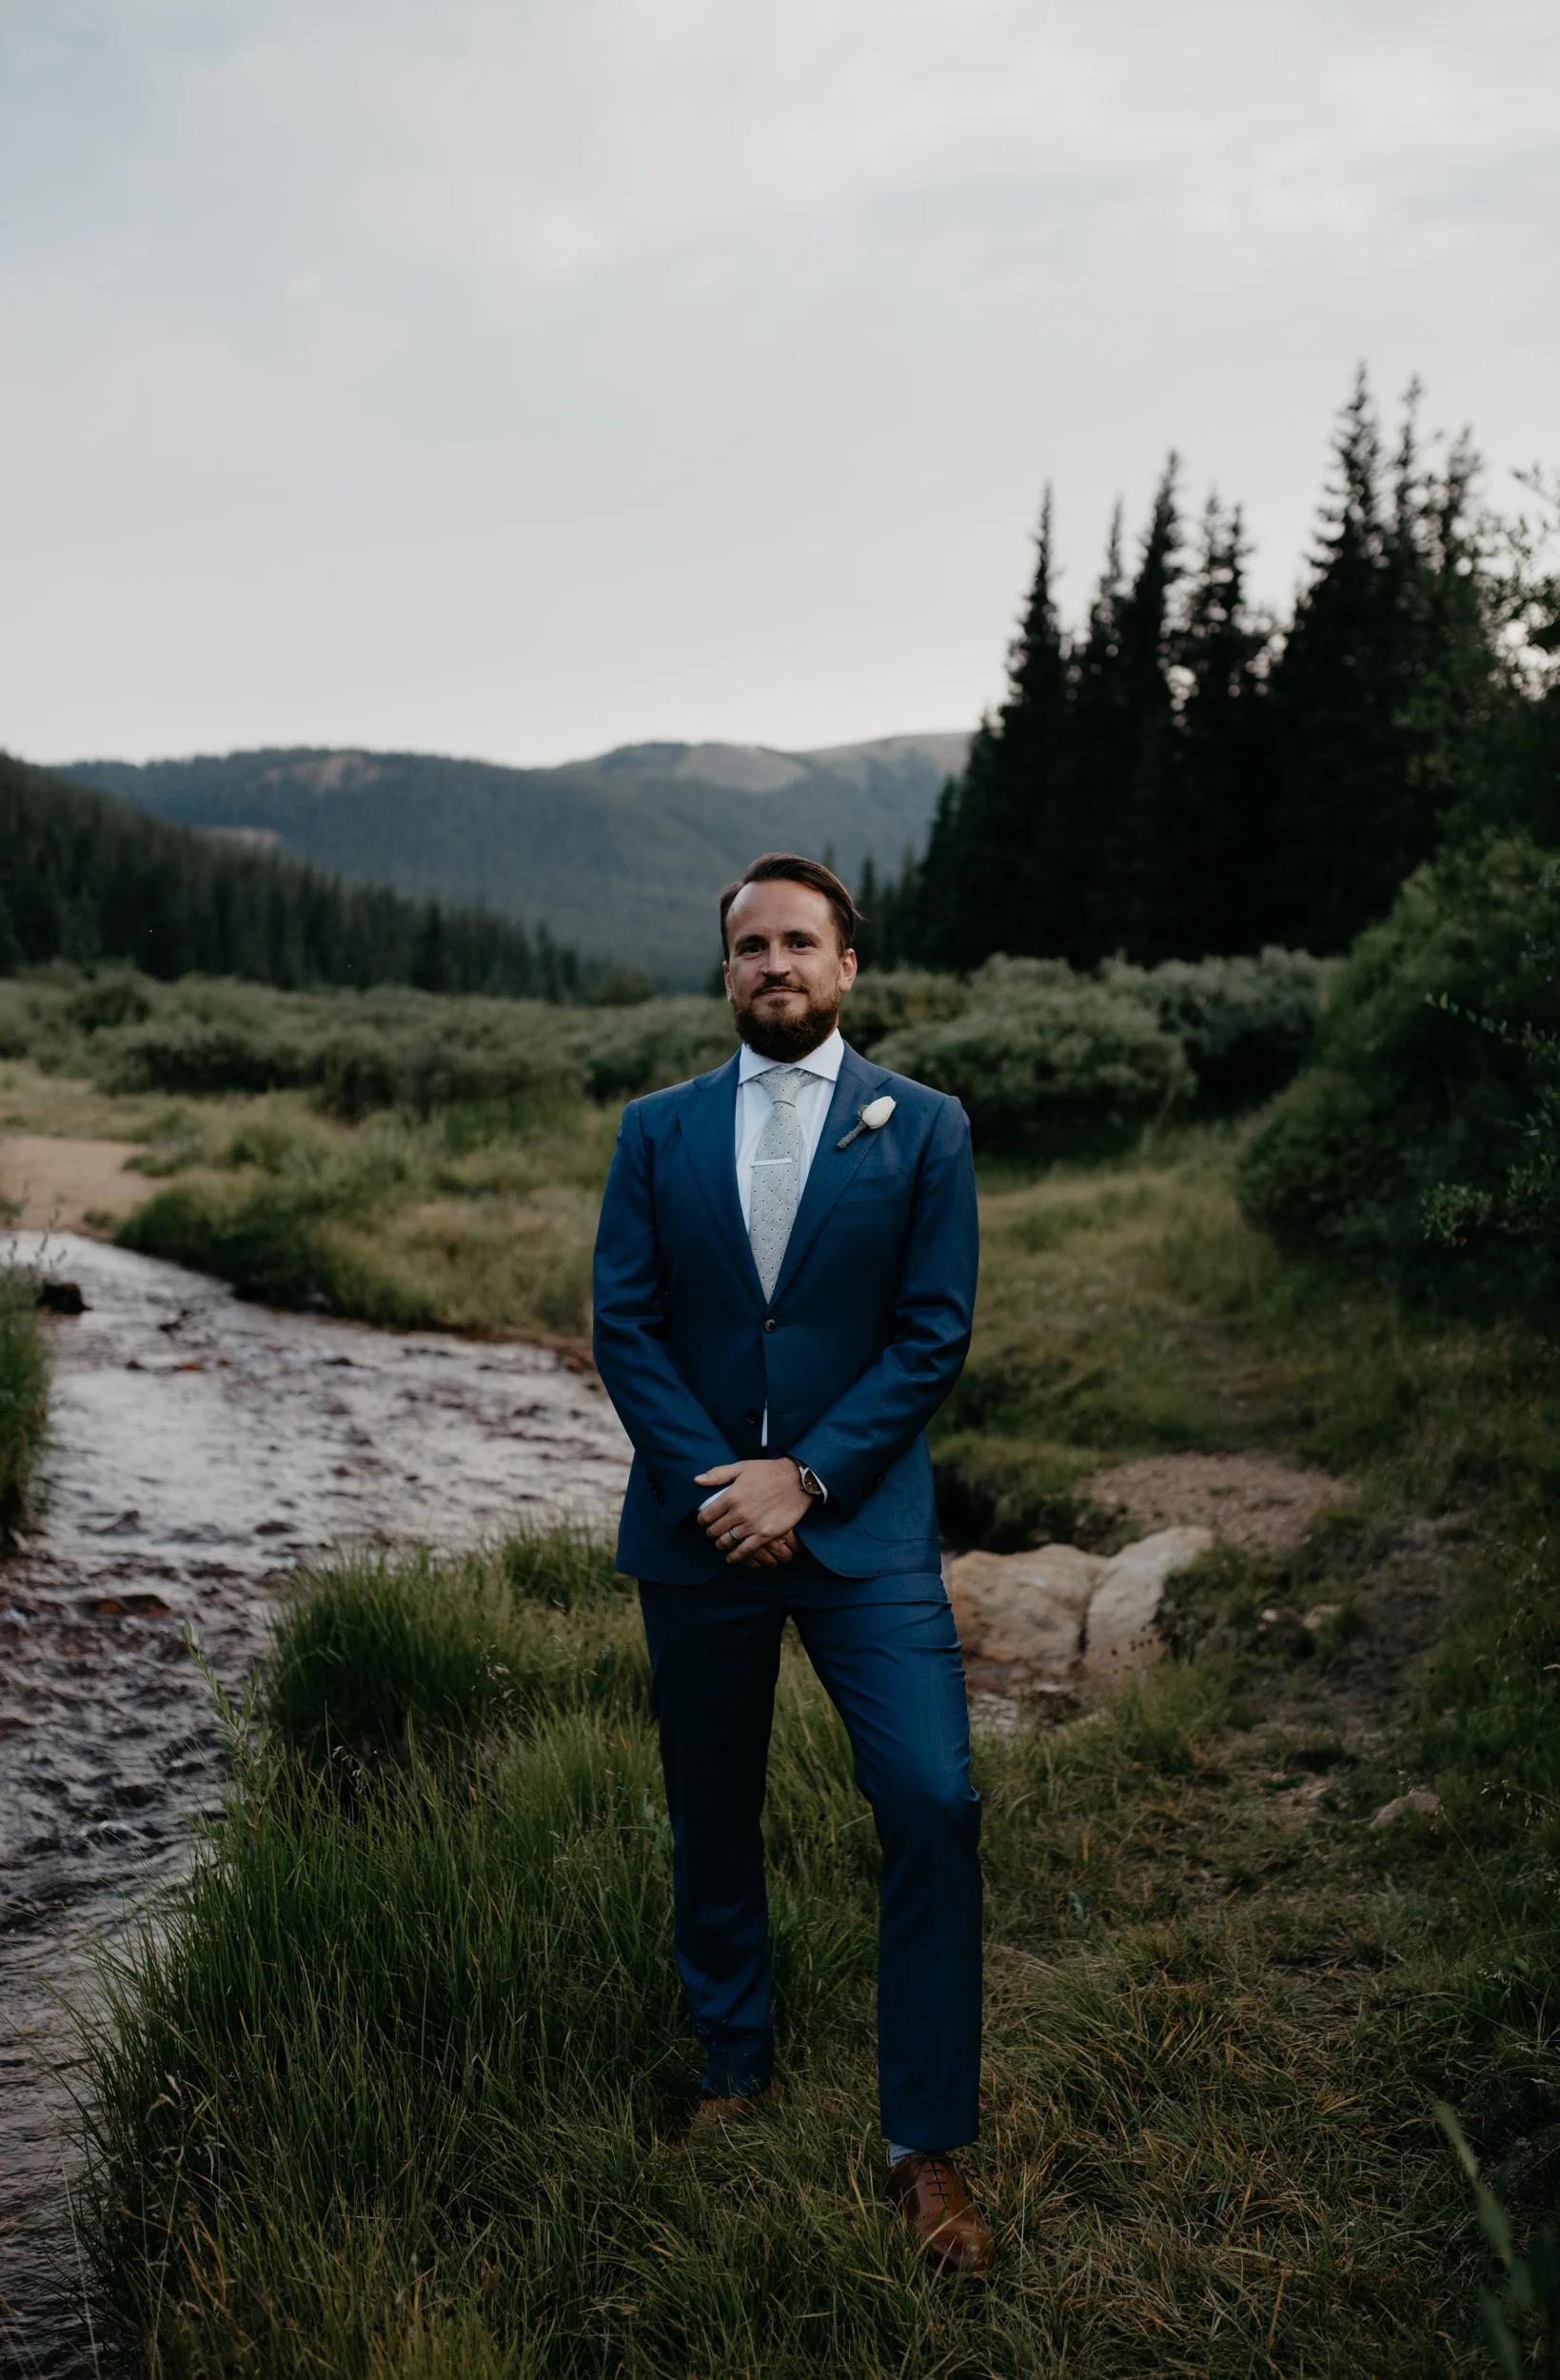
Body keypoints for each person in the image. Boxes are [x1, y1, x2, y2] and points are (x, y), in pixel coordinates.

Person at [591, 851, 993, 2276]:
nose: (772, 963)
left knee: (932, 1804)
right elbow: (623, 1326)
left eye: (798, 943)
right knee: (711, 1806)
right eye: (748, 945)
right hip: (697, 1531)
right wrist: (722, 1487)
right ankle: (731, 2067)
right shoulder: (656, 1130)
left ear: (845, 968)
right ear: (726, 971)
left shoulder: (924, 1127)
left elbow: (930, 1336)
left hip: (860, 1531)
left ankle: (923, 2146)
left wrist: (806, 1479)